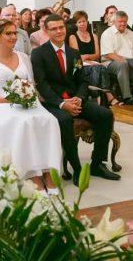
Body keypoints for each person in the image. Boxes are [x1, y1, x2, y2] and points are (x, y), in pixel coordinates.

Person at [0, 20, 62, 192]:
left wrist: (26, 95)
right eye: (8, 33)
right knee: (22, 122)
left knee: (49, 120)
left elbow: (31, 85)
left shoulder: (24, 57)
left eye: (14, 33)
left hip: (26, 103)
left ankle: (48, 171)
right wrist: (7, 100)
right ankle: (33, 174)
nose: (12, 37)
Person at [32, 14, 119, 182]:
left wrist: (79, 97)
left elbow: (83, 80)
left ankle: (97, 164)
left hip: (76, 99)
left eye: (61, 27)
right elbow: (42, 85)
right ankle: (77, 168)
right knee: (64, 120)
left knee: (105, 115)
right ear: (46, 31)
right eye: (54, 29)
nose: (59, 31)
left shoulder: (74, 54)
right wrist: (62, 103)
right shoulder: (38, 54)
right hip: (53, 103)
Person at [67, 10, 119, 106]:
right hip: (77, 64)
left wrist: (87, 57)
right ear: (76, 24)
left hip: (92, 63)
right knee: (97, 68)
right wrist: (88, 59)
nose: (82, 24)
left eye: (84, 21)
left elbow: (97, 55)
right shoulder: (72, 37)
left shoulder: (94, 36)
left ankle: (98, 96)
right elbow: (77, 56)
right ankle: (108, 96)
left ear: (87, 22)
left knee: (101, 68)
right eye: (79, 22)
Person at [100, 11, 133, 105]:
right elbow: (109, 54)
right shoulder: (107, 34)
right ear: (114, 21)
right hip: (110, 62)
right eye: (120, 21)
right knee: (123, 64)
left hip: (132, 62)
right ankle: (127, 96)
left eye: (125, 21)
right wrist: (128, 62)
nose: (123, 24)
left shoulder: (131, 34)